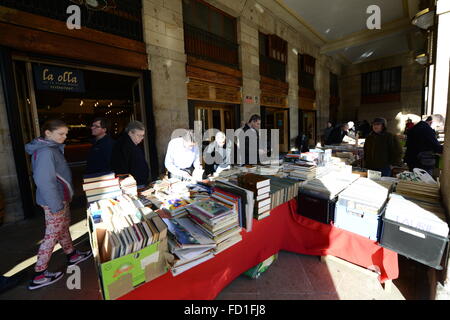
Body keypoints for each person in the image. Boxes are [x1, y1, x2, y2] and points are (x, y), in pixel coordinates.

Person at [25, 119, 92, 290]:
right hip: (54, 200)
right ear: (48, 133)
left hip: (59, 198)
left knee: (62, 228)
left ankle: (72, 254)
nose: (64, 137)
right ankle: (39, 274)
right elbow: (45, 181)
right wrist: (56, 205)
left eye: (66, 134)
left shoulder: (50, 148)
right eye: (61, 134)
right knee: (51, 236)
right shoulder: (47, 151)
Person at [111, 121, 149, 188]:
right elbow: (121, 169)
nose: (142, 138)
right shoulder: (124, 146)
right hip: (133, 185)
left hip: (137, 183)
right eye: (139, 135)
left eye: (143, 135)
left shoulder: (132, 143)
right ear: (130, 133)